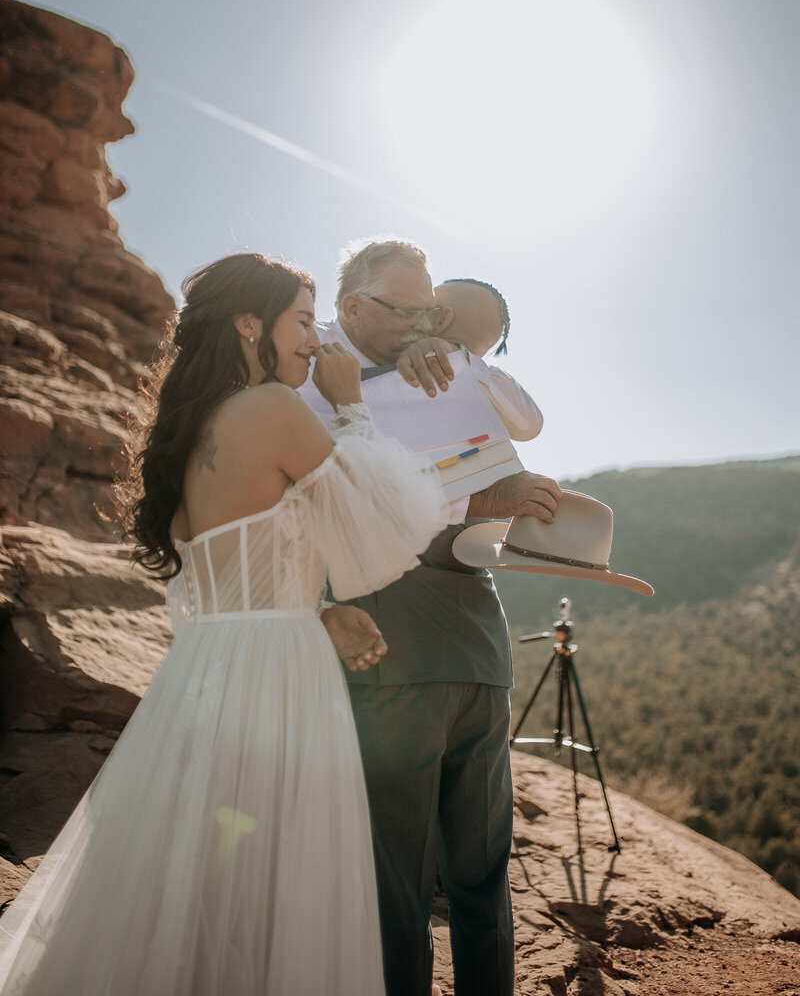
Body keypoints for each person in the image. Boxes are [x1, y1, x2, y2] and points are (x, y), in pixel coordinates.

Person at [0, 252, 448, 996]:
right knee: (271, 875)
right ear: (250, 325)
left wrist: (320, 608)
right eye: (303, 322)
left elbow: (238, 568)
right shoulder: (274, 408)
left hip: (208, 667)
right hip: (275, 674)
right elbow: (389, 526)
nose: (314, 341)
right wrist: (353, 407)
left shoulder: (191, 431)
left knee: (198, 874)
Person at [307, 239, 562, 996]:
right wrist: (485, 497)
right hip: (393, 638)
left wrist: (460, 362)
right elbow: (342, 492)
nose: (432, 326)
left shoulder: (457, 380)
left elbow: (523, 425)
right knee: (405, 877)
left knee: (463, 872)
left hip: (469, 646)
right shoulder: (320, 372)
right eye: (425, 312)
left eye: (446, 322)